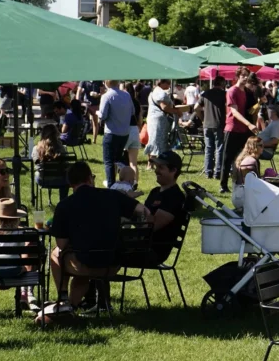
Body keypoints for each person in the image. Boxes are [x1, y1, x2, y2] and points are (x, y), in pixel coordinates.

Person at [48, 160, 151, 313]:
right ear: (90, 178)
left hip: (85, 263)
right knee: (82, 269)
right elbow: (143, 210)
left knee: (56, 254)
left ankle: (63, 299)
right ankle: (71, 306)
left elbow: (62, 244)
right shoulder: (113, 195)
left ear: (70, 184)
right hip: (113, 263)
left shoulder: (65, 205)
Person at [122, 151, 187, 267]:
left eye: (161, 167)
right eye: (156, 167)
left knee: (103, 251)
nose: (156, 170)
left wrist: (132, 205)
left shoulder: (175, 197)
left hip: (151, 252)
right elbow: (142, 221)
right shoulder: (155, 192)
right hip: (138, 245)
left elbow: (150, 226)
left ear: (173, 171)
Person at [222, 68, 257, 195]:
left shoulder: (245, 92)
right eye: (243, 75)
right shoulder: (232, 91)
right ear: (237, 76)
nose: (245, 78)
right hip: (232, 128)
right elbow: (234, 111)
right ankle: (223, 185)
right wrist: (249, 124)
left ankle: (241, 182)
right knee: (227, 159)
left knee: (243, 158)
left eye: (247, 76)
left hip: (243, 129)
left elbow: (248, 110)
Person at [97, 79, 134, 188]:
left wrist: (97, 113)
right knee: (118, 159)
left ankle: (111, 185)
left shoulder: (106, 96)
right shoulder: (127, 95)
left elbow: (103, 115)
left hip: (111, 133)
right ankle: (127, 182)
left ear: (106, 83)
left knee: (109, 161)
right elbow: (132, 112)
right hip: (124, 133)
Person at [198, 76, 227, 179]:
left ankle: (208, 171)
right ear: (222, 83)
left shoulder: (205, 94)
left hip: (207, 124)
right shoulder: (224, 94)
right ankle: (217, 172)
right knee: (219, 148)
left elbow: (196, 107)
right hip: (219, 124)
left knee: (208, 148)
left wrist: (202, 119)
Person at [33, 123, 70, 201]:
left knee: (36, 173)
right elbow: (66, 164)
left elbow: (36, 164)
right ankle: (63, 201)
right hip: (61, 180)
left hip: (43, 180)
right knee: (66, 179)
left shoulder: (36, 148)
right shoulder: (61, 148)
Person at [145, 78, 177, 157]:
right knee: (157, 141)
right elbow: (164, 107)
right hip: (158, 120)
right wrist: (176, 111)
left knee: (153, 140)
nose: (169, 85)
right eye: (168, 83)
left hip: (153, 118)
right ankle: (154, 161)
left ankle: (151, 163)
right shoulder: (160, 93)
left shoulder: (154, 91)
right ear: (162, 83)